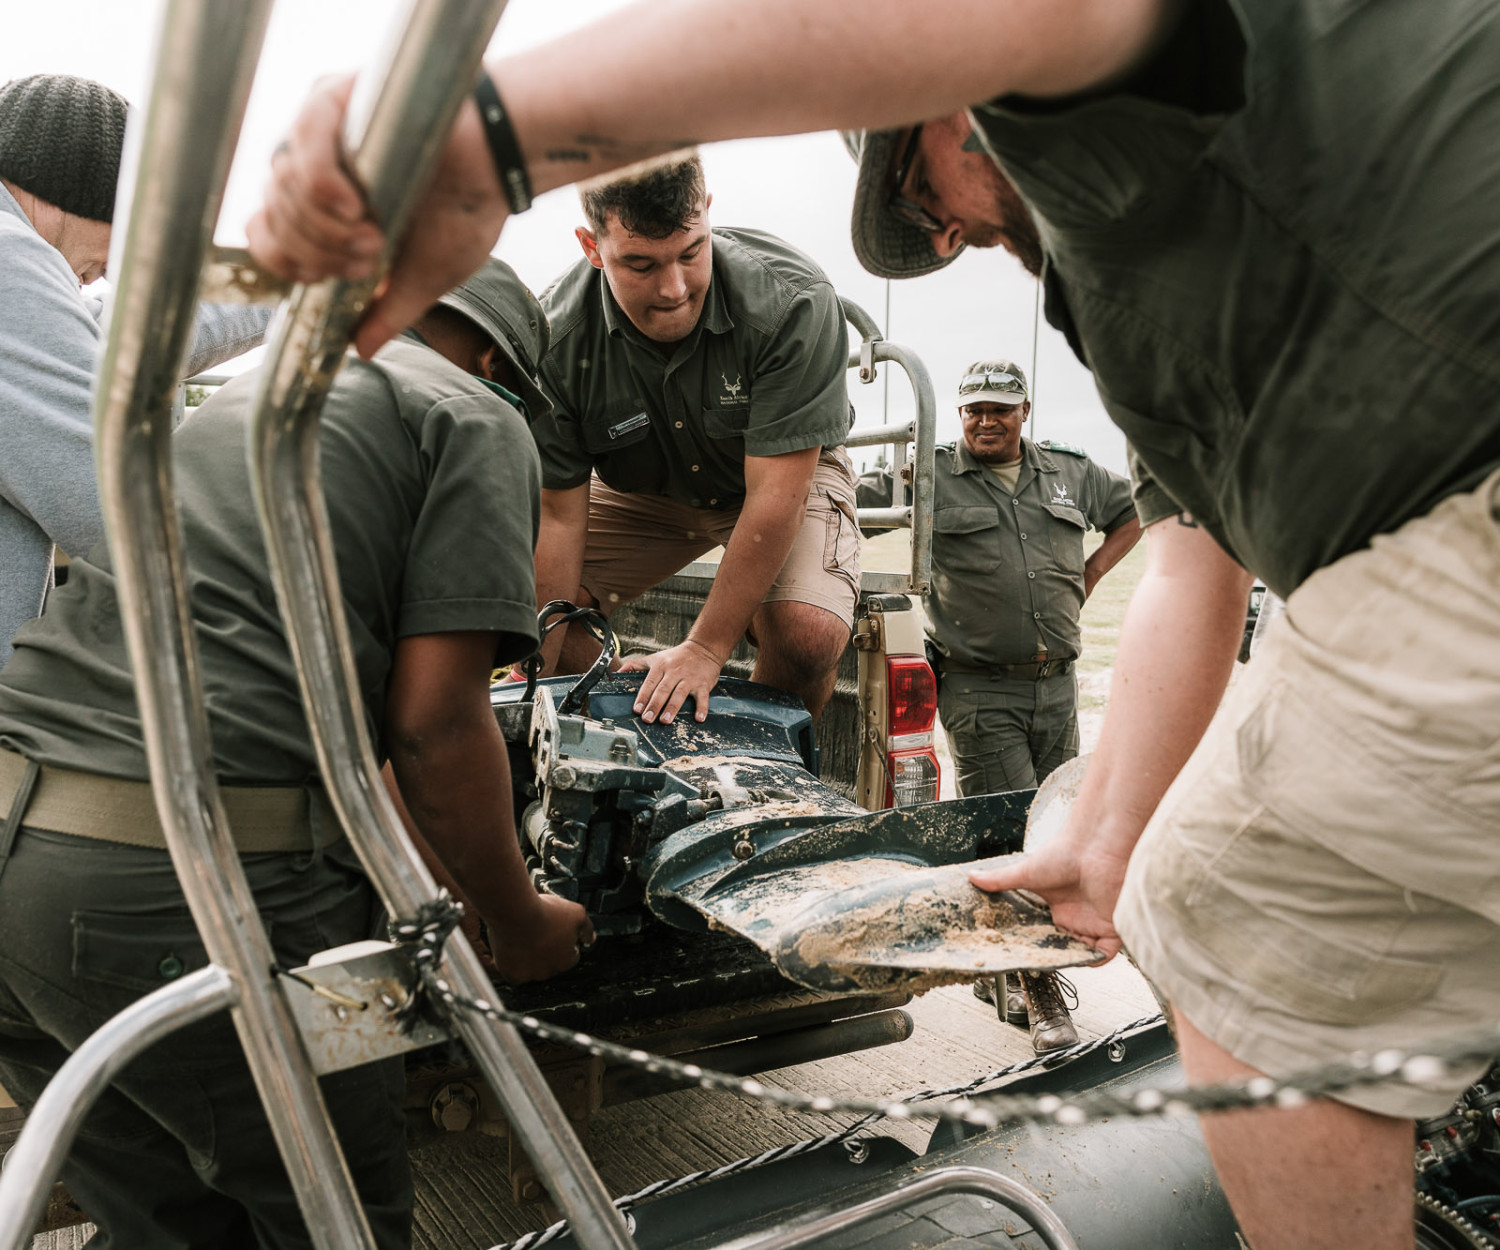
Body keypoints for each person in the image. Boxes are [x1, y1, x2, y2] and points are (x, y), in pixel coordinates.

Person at [249, 2, 1500, 1244]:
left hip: (1438, 499)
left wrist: (483, 140)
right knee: (1211, 882)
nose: (942, 231)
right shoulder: (1125, 300)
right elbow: (1191, 551)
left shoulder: (1094, 118)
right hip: (663, 497)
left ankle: (764, 766)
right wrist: (1107, 832)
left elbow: (973, 29)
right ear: (594, 252)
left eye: (915, 183)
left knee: (1216, 913)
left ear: (950, 102)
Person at [0, 258, 593, 1248]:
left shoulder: (254, 397)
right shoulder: (471, 414)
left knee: (178, 1228)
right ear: (496, 363)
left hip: (17, 877)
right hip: (175, 896)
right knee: (341, 1215)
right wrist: (518, 916)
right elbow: (435, 725)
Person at [861, 357, 1140, 1053]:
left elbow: (1135, 511)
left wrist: (1090, 574)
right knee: (1008, 837)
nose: (985, 421)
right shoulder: (929, 474)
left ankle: (1009, 973)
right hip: (980, 689)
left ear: (1024, 413)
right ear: (959, 414)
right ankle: (1041, 994)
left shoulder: (1071, 473)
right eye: (973, 410)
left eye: (999, 409)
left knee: (1058, 832)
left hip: (1058, 685)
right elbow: (845, 511)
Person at [527, 154, 860, 726]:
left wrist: (705, 649)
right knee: (540, 608)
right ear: (591, 247)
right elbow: (557, 520)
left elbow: (775, 496)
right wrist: (534, 674)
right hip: (644, 494)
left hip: (774, 480)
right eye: (640, 264)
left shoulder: (792, 300)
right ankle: (624, 727)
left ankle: (759, 761)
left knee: (806, 633)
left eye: (690, 252)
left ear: (707, 213)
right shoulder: (555, 337)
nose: (674, 289)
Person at [0, 72, 269, 663]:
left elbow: (121, 337)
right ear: (81, 191)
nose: (110, 270)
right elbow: (124, 516)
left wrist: (284, 281)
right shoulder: (8, 259)